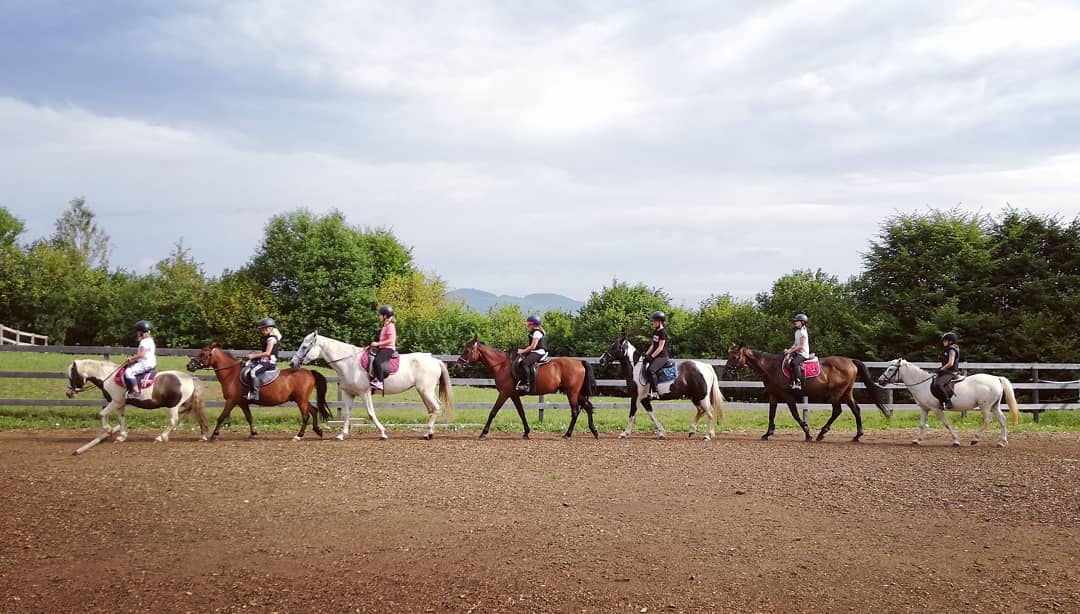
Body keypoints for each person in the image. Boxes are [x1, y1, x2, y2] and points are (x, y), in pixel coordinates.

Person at [244, 317, 282, 400]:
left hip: (268, 362)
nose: (262, 332)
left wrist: (253, 356)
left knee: (253, 372)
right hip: (264, 360)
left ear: (269, 329)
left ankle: (255, 394)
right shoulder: (268, 338)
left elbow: (267, 353)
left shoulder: (271, 339)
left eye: (263, 330)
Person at [122, 320, 157, 399]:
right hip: (151, 363)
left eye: (137, 332)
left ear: (141, 332)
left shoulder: (144, 342)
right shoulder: (150, 340)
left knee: (128, 372)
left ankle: (136, 392)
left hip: (145, 364)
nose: (137, 333)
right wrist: (134, 360)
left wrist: (131, 358)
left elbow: (142, 354)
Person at [641, 311, 670, 400]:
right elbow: (653, 345)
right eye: (653, 321)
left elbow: (660, 347)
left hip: (662, 357)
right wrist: (646, 354)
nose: (653, 322)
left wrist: (652, 356)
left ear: (660, 322)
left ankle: (655, 392)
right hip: (656, 355)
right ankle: (648, 391)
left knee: (651, 370)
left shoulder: (663, 332)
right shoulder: (655, 331)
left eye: (655, 321)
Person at [368, 305, 397, 390]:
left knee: (378, 361)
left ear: (385, 316)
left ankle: (380, 382)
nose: (379, 316)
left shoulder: (390, 326)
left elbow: (391, 340)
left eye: (380, 315)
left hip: (388, 348)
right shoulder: (385, 325)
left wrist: (378, 344)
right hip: (383, 347)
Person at [515, 315, 547, 391]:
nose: (527, 325)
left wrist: (522, 351)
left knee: (524, 363)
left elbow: (533, 346)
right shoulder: (534, 331)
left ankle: (526, 384)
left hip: (538, 352)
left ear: (533, 324)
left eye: (529, 323)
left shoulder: (537, 333)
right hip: (534, 351)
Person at [931, 332, 961, 410]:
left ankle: (948, 402)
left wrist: (942, 369)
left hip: (951, 372)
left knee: (938, 384)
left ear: (950, 341)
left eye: (945, 341)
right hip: (946, 371)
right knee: (935, 381)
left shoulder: (952, 350)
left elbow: (951, 363)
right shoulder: (948, 349)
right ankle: (941, 402)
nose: (943, 342)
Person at [783, 313, 810, 390]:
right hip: (797, 352)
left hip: (803, 353)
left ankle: (798, 382)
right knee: (787, 361)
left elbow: (801, 346)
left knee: (794, 363)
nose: (795, 322)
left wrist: (790, 351)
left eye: (797, 321)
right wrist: (789, 350)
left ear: (802, 322)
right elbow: (795, 344)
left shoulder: (803, 332)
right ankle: (791, 381)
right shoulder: (797, 332)